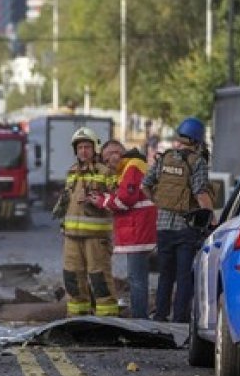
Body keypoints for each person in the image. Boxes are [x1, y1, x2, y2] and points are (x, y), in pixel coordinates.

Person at [142, 117, 216, 323]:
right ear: (197, 140)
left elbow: (145, 185)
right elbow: (201, 193)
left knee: (165, 275)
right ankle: (180, 318)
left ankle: (160, 315)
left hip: (163, 228)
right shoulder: (196, 161)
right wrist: (212, 219)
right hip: (186, 227)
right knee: (184, 276)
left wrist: (159, 202)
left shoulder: (164, 158)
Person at [52, 127, 118, 317]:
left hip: (96, 238)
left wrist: (96, 199)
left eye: (87, 147)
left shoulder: (105, 172)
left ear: (94, 148)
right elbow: (67, 201)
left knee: (100, 279)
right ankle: (77, 319)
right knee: (72, 277)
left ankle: (108, 321)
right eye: (80, 147)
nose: (83, 151)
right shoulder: (72, 172)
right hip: (72, 237)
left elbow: (116, 202)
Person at [89, 140, 157, 319]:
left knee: (137, 279)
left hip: (137, 230)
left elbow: (125, 199)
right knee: (138, 278)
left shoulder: (132, 167)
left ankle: (139, 319)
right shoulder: (130, 167)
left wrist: (102, 201)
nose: (107, 164)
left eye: (106, 159)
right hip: (138, 230)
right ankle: (141, 315)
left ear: (116, 152)